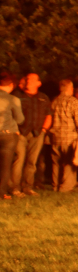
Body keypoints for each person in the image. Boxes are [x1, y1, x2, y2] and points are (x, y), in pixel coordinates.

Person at [11, 73, 51, 195]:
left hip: (37, 134)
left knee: (32, 162)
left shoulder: (43, 97)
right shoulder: (18, 96)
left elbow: (49, 115)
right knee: (19, 160)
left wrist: (44, 130)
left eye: (32, 79)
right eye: (27, 78)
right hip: (21, 133)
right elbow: (10, 114)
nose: (28, 80)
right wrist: (15, 130)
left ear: (39, 83)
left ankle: (27, 186)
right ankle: (15, 188)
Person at [50, 79, 78, 192]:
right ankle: (65, 187)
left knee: (56, 162)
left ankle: (55, 185)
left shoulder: (54, 101)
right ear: (70, 88)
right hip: (69, 136)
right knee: (69, 162)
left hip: (55, 136)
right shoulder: (73, 101)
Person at [0, 73, 25, 201]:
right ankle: (2, 193)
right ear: (11, 85)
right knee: (5, 165)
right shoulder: (13, 99)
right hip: (8, 134)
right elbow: (20, 119)